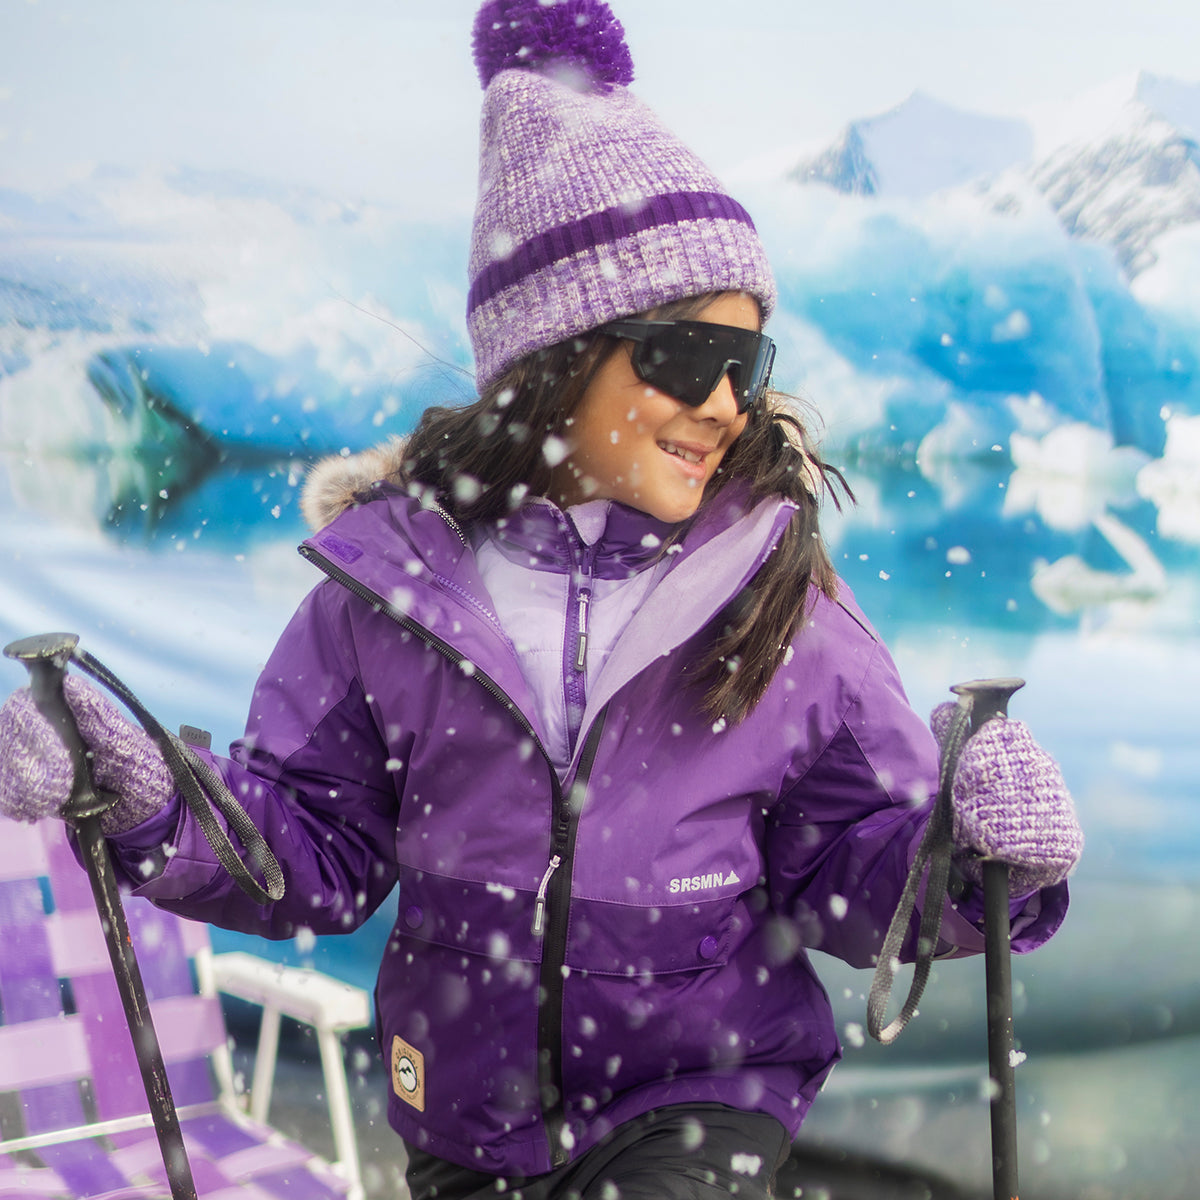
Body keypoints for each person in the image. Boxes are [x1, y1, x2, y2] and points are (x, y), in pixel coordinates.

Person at [0, 1, 1083, 1196]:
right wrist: (154, 797)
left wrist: (974, 855)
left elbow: (849, 873)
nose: (728, 403)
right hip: (466, 1127)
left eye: (748, 363)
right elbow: (316, 845)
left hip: (701, 1103)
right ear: (554, 359)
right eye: (684, 356)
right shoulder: (389, 596)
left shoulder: (778, 603)